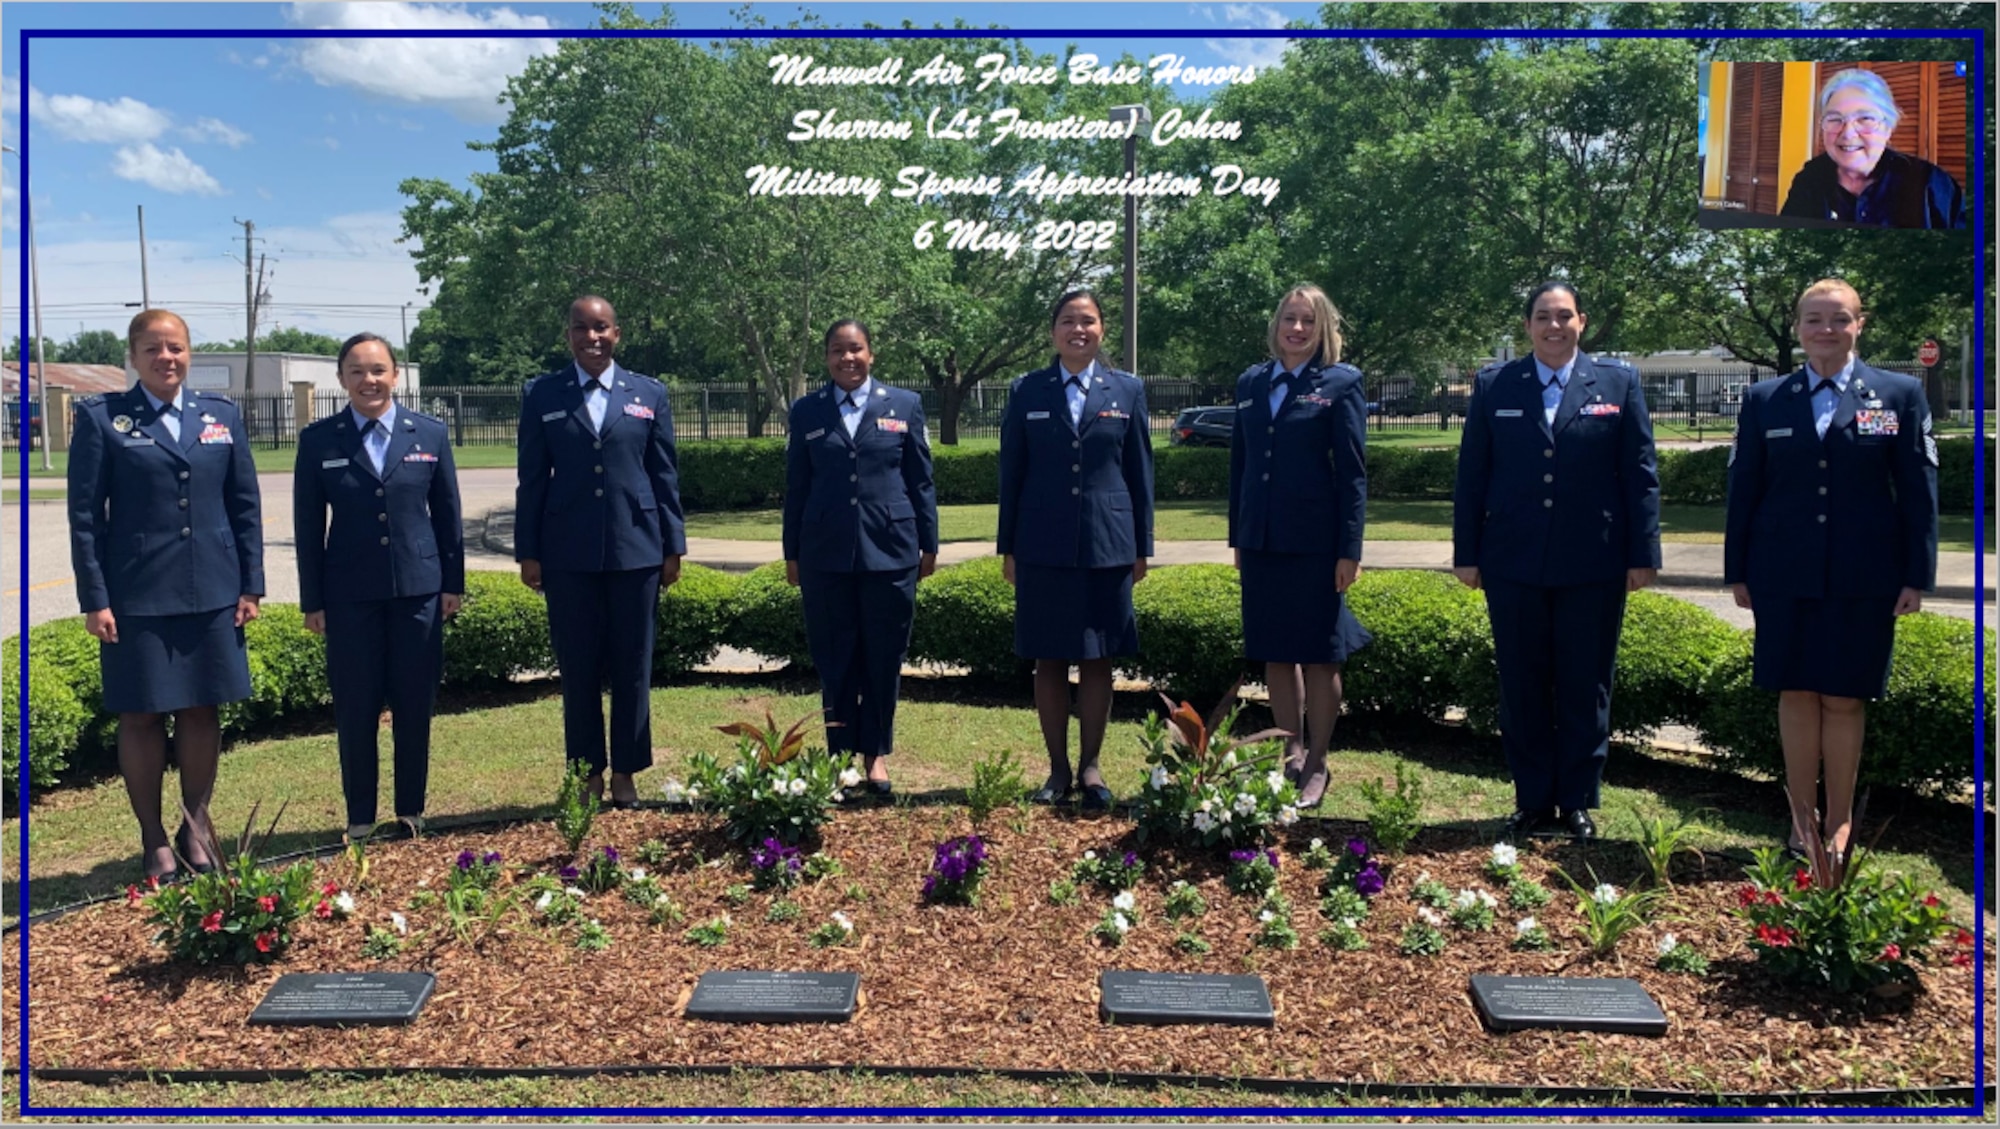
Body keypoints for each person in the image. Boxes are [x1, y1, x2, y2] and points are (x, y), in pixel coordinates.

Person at [1723, 279, 1937, 863]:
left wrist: (1916, 574)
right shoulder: (1767, 399)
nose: (1825, 329)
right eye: (1814, 319)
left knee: (1843, 698)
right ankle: (1800, 820)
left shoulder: (1897, 395)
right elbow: (1745, 489)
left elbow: (1918, 489)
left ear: (1859, 325)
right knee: (1795, 692)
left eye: (1838, 319)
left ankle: (1840, 822)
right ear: (1797, 327)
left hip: (1864, 574)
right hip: (1781, 571)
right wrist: (1736, 568)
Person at [1452, 282, 1662, 842]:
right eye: (1543, 316)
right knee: (1522, 683)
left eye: (1563, 316)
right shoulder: (1496, 385)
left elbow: (1640, 476)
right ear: (1528, 326)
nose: (1553, 326)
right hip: (1512, 561)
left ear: (1582, 322)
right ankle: (1531, 799)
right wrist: (1467, 554)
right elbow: (1473, 476)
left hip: (1593, 562)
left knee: (1585, 683)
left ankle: (1576, 800)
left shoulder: (1618, 382)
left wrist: (1644, 554)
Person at [67, 308, 264, 881]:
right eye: (152, 348)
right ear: (132, 356)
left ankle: (196, 825)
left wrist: (251, 582)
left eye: (175, 347)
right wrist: (95, 598)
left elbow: (244, 504)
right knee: (141, 716)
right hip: (136, 595)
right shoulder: (104, 419)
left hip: (213, 589)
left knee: (203, 709)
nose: (166, 358)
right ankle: (154, 837)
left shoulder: (220, 415)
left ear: (189, 352)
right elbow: (85, 519)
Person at [516, 295, 685, 808]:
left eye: (602, 328)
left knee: (633, 665)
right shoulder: (542, 394)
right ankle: (587, 772)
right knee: (579, 667)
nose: (592, 337)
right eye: (581, 328)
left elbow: (664, 475)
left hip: (637, 550)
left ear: (617, 333)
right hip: (567, 554)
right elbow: (532, 479)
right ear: (568, 334)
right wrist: (529, 550)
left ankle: (627, 772)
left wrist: (672, 545)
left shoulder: (648, 394)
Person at [294, 333, 464, 843]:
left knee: (415, 705)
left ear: (395, 375)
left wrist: (451, 584)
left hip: (418, 593)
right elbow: (307, 526)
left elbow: (449, 516)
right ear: (342, 379)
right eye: (357, 371)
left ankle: (411, 811)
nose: (369, 380)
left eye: (378, 370)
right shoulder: (319, 440)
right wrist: (313, 600)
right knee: (356, 708)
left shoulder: (429, 434)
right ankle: (360, 818)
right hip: (349, 597)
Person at [997, 289, 1154, 811]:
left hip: (1108, 545)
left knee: (1097, 659)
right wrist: (1008, 548)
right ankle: (1057, 768)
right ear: (1053, 331)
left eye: (1088, 321)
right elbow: (1011, 473)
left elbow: (1139, 473)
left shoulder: (1127, 390)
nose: (1078, 329)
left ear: (1102, 329)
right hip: (1040, 545)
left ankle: (1091, 766)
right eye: (1068, 321)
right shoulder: (1027, 390)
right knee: (1049, 659)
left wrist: (1142, 547)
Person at [1226, 284, 1371, 808]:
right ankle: (1289, 752)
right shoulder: (1251, 382)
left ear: (1322, 327)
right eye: (1290, 319)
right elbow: (1241, 467)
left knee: (1319, 656)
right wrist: (1238, 537)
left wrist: (1348, 549)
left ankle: (1317, 762)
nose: (1297, 329)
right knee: (1276, 654)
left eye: (1308, 321)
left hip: (1315, 543)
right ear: (1276, 324)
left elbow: (1352, 475)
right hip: (1261, 541)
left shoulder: (1340, 383)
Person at [782, 320, 939, 798]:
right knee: (835, 659)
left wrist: (928, 544)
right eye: (836, 351)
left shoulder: (905, 406)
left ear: (872, 353)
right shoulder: (807, 411)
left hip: (890, 552)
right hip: (824, 555)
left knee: (882, 658)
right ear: (826, 358)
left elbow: (921, 481)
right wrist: (792, 553)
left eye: (855, 350)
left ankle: (876, 754)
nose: (846, 359)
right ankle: (839, 757)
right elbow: (797, 488)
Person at [1779, 68, 1966, 229]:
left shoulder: (1930, 183)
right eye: (1835, 119)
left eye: (1865, 119)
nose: (1848, 133)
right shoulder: (1810, 177)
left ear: (1888, 128)